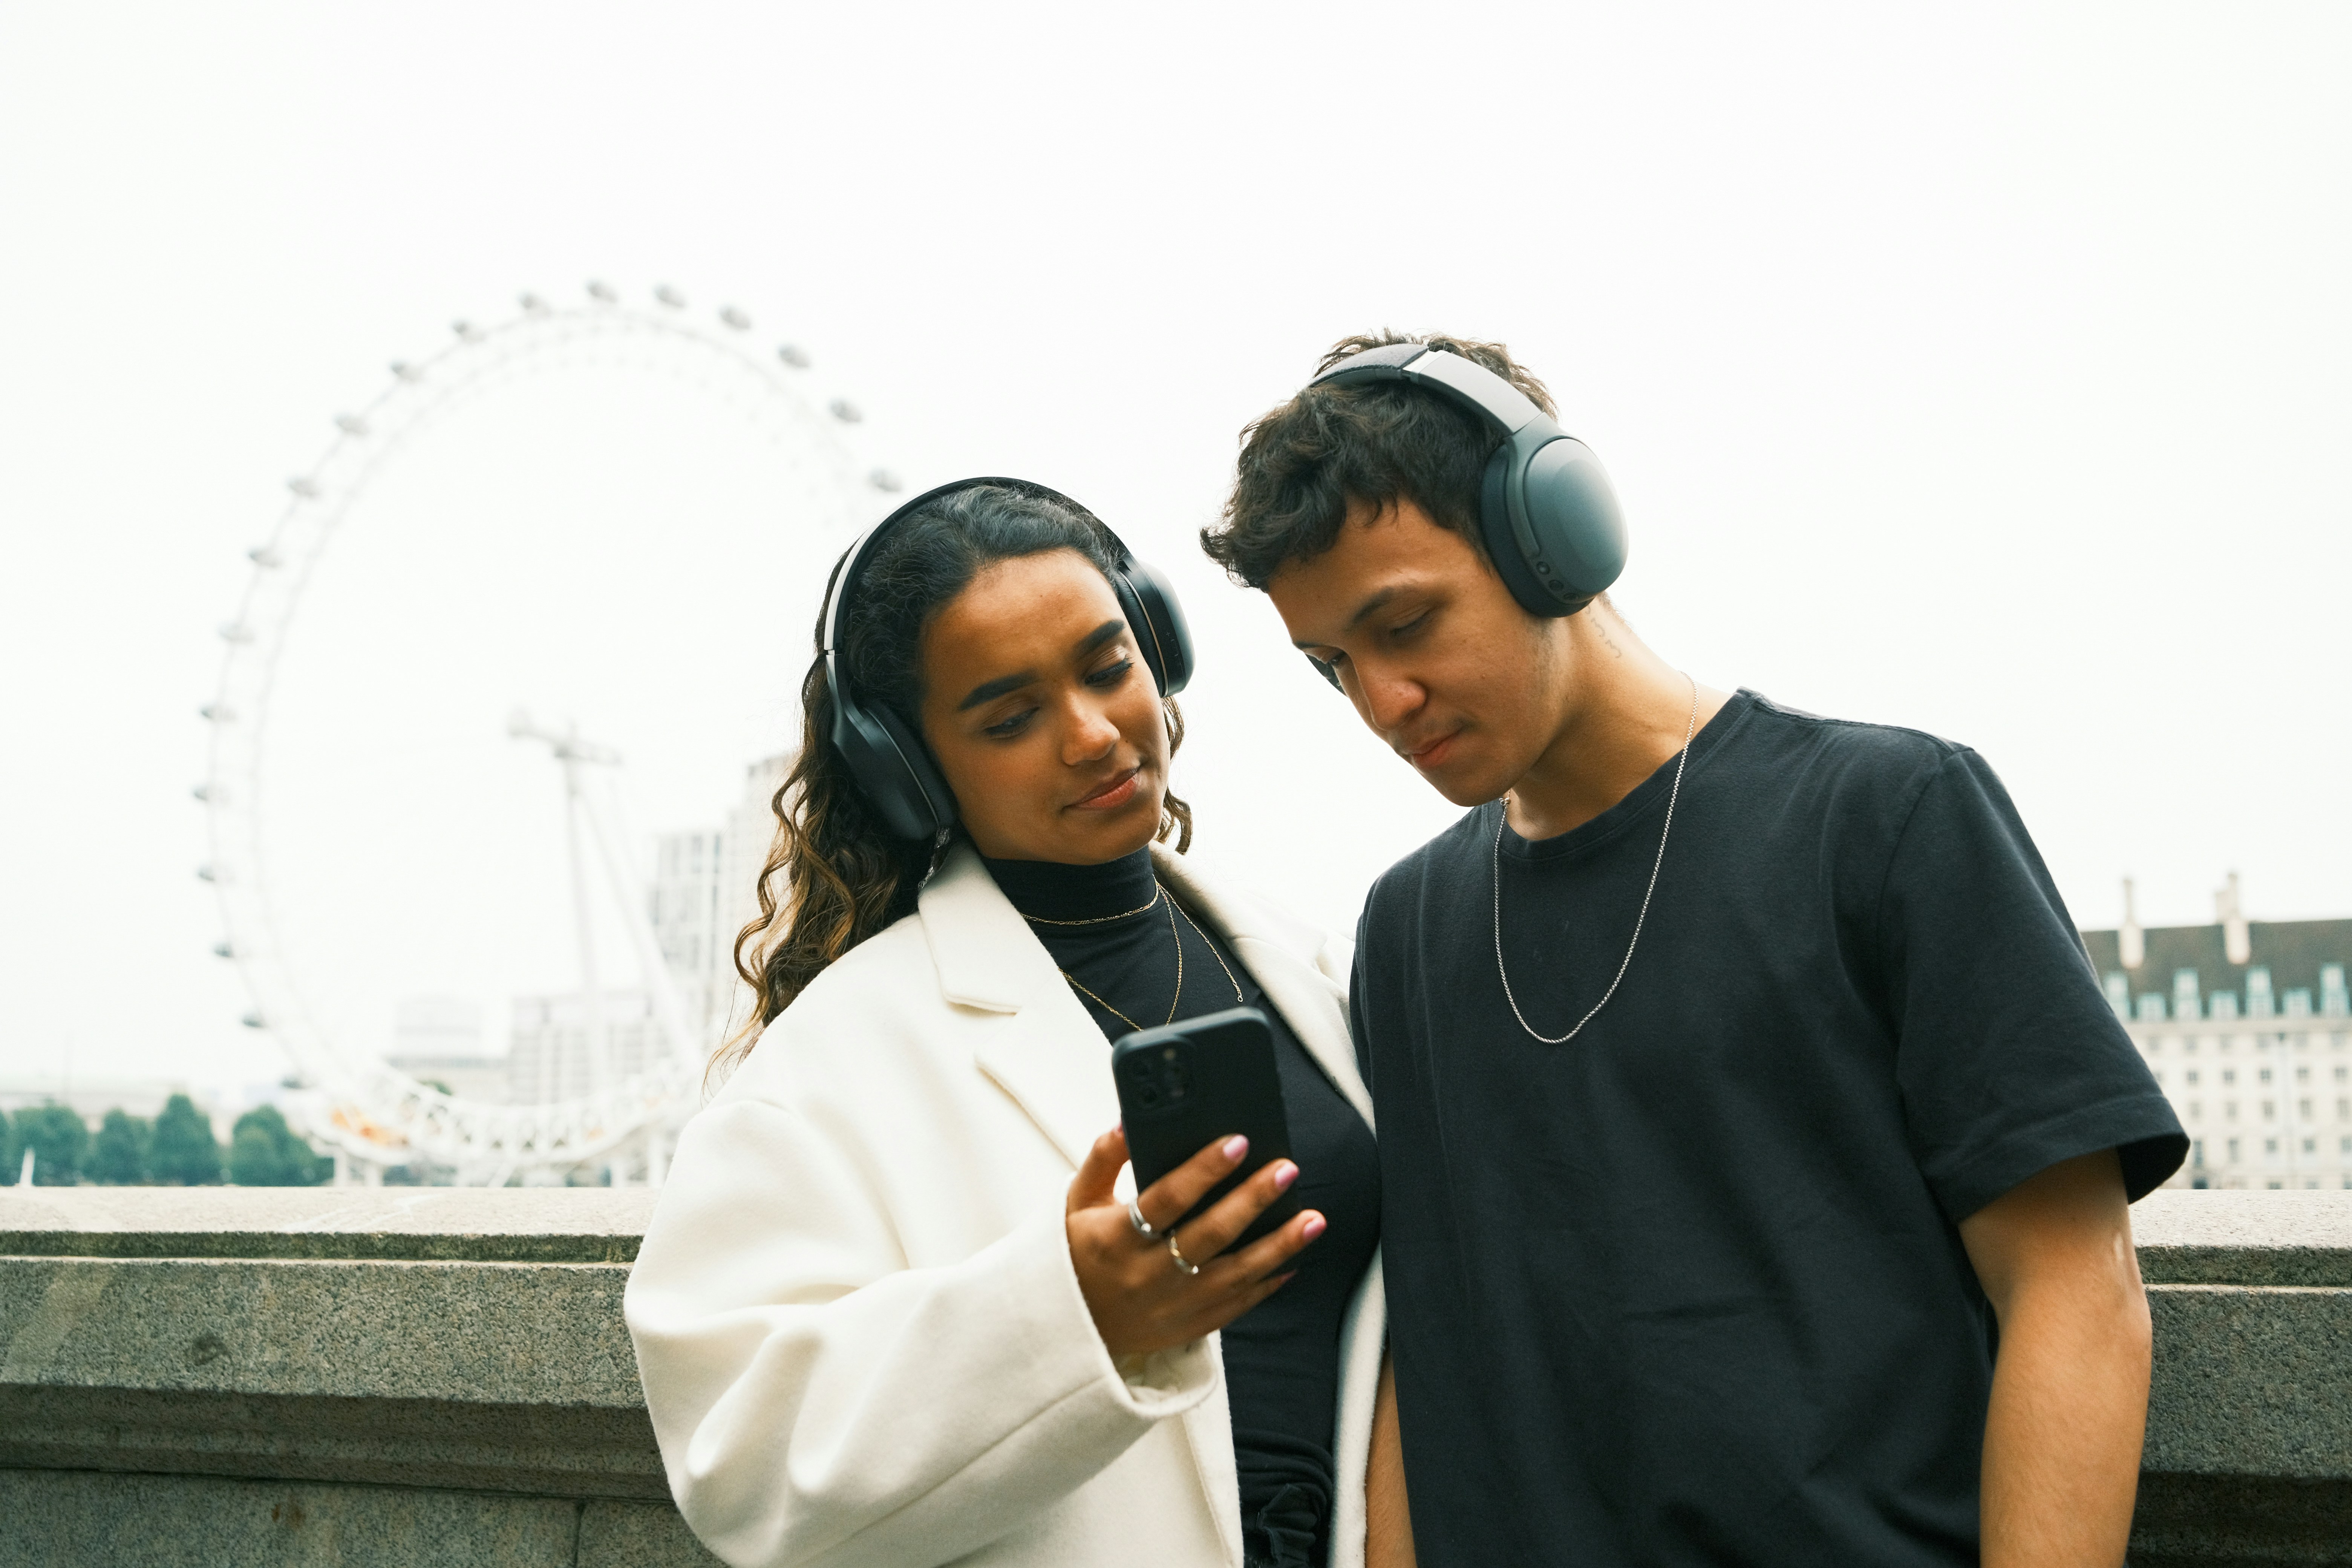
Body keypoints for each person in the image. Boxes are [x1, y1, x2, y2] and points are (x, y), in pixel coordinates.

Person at [1199, 334, 2188, 1567]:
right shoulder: (1405, 925)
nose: (1381, 701)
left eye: (1406, 623)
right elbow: (1425, 1350)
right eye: (1334, 666)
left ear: (1551, 539)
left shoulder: (1887, 816)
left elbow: (2076, 1291)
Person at [625, 479, 1404, 1568]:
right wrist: (1074, 1316)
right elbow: (739, 1465)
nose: (1092, 734)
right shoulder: (829, 1065)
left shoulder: (1313, 969)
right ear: (909, 771)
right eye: (1009, 719)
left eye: (1108, 668)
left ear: (1159, 652)